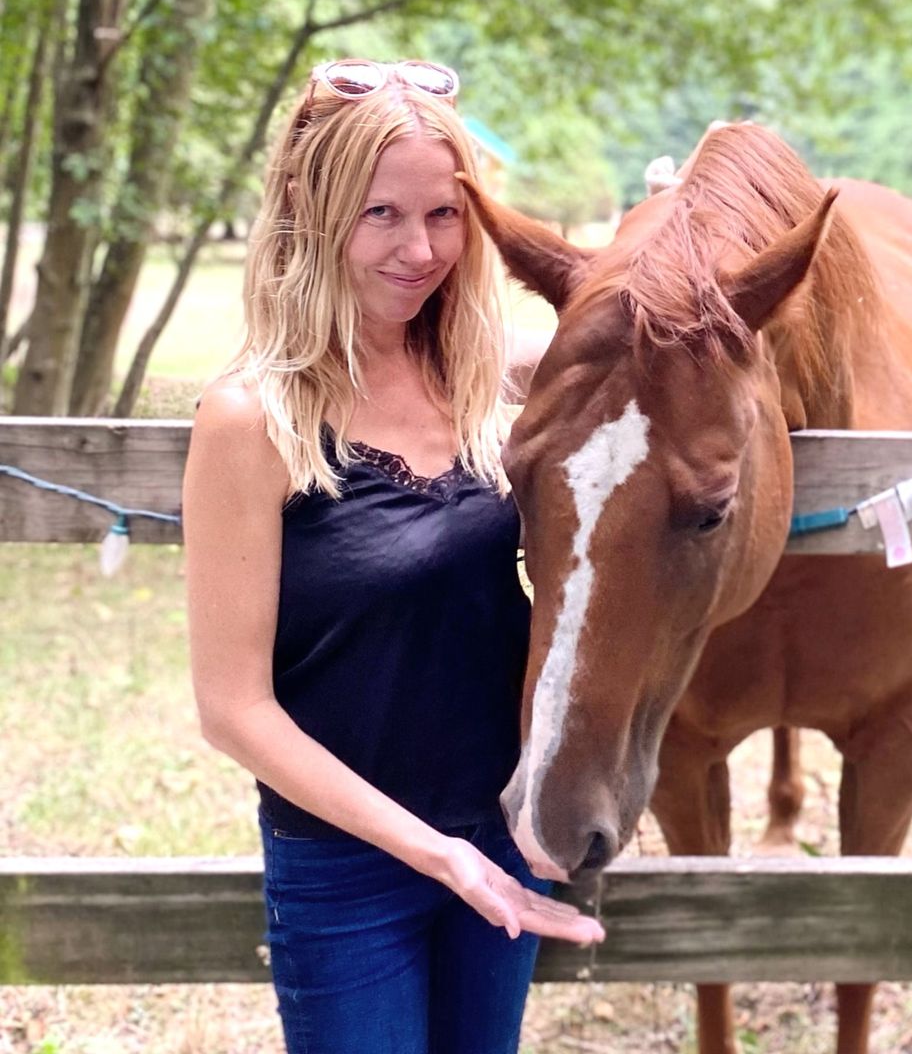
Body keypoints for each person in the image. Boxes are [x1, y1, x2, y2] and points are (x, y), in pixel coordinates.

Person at [182, 58, 604, 1054]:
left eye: (445, 217)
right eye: (381, 215)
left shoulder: (473, 376)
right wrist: (437, 857)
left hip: (501, 836)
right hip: (347, 871)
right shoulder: (253, 419)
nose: (420, 250)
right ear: (313, 212)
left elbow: (638, 343)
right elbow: (232, 710)